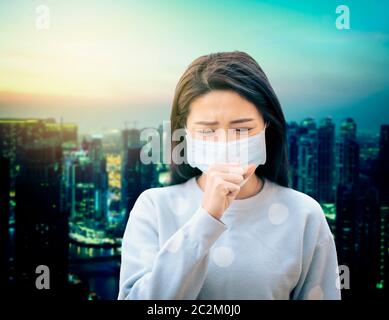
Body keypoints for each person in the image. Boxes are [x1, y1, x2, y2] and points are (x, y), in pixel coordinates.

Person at [118, 51, 341, 300]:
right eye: (207, 131)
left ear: (267, 127)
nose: (225, 143)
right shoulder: (154, 207)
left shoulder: (304, 214)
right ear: (184, 133)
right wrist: (207, 218)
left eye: (242, 129)